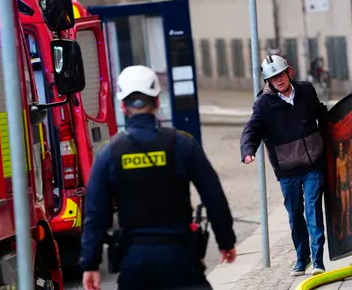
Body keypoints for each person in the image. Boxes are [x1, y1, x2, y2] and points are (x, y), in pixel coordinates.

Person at [80, 65, 237, 290]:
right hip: (181, 260)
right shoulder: (183, 144)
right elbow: (214, 196)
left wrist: (90, 264)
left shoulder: (109, 154)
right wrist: (226, 241)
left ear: (123, 106)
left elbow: (95, 215)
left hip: (135, 265)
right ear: (157, 102)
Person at [240, 54, 328, 276]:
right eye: (272, 77)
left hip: (313, 164)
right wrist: (248, 150)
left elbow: (321, 113)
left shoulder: (306, 90)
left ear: (288, 71)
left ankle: (318, 261)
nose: (278, 80)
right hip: (287, 169)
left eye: (280, 74)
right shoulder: (263, 104)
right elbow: (252, 129)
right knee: (295, 215)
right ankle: (302, 258)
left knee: (313, 209)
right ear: (267, 81)